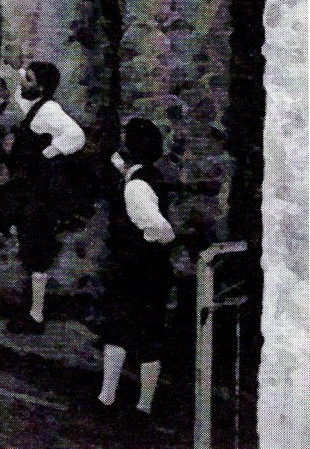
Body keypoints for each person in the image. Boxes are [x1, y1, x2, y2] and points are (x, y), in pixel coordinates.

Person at [0, 61, 86, 331]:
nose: (23, 81)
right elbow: (20, 89)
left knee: (36, 250)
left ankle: (36, 315)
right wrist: (19, 75)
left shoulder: (50, 110)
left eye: (29, 79)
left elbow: (77, 136)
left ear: (41, 87)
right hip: (18, 187)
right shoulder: (29, 102)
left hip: (36, 191)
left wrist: (47, 153)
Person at [96, 118, 175, 420]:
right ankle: (115, 399)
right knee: (126, 329)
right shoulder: (142, 174)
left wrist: (145, 241)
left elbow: (162, 230)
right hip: (143, 267)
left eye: (124, 139)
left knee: (137, 332)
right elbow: (121, 166)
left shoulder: (137, 187)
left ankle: (139, 405)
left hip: (138, 269)